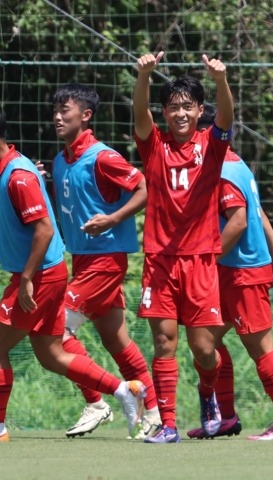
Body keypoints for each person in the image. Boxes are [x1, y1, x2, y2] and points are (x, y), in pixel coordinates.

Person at [0, 112, 146, 442]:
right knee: (53, 354)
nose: (56, 116)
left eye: (64, 109)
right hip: (47, 270)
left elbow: (44, 229)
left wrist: (25, 279)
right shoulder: (27, 168)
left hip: (42, 275)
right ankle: (124, 391)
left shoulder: (19, 174)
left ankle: (1, 427)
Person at [45, 84, 160, 440]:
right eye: (55, 111)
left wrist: (112, 220)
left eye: (66, 110)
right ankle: (154, 414)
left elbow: (143, 187)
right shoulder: (62, 159)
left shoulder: (103, 156)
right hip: (81, 260)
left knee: (55, 332)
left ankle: (97, 401)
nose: (58, 117)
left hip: (105, 261)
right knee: (117, 341)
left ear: (86, 116)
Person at [133, 50, 233, 444]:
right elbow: (140, 115)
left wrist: (220, 79)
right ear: (164, 112)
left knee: (204, 349)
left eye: (187, 107)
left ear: (198, 110)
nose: (179, 114)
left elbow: (227, 116)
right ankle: (169, 425)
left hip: (200, 261)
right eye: (173, 108)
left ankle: (207, 390)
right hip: (159, 260)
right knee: (163, 342)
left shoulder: (211, 145)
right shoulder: (153, 145)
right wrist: (143, 77)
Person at [186, 143, 273, 440]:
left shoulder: (224, 171)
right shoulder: (236, 163)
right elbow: (259, 214)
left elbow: (239, 221)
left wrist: (207, 260)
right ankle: (226, 418)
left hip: (243, 272)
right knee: (207, 341)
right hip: (230, 270)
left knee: (260, 348)